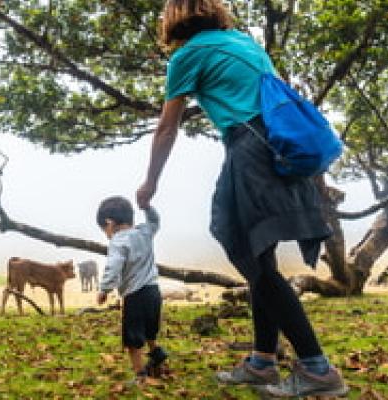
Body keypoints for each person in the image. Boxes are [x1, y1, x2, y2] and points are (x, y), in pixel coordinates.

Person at [134, 0, 348, 397]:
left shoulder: (188, 55)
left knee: (247, 253)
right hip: (283, 148)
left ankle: (317, 369)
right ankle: (263, 361)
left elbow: (167, 128)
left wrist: (149, 183)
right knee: (257, 256)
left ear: (174, 18)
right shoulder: (243, 42)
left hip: (250, 149)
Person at [96, 196, 168, 385]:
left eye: (105, 231)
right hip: (154, 291)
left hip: (135, 296)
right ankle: (156, 354)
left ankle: (140, 376)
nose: (107, 235)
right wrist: (147, 206)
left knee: (133, 340)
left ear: (109, 223)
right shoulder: (144, 231)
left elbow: (113, 266)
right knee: (150, 330)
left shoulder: (118, 242)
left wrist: (104, 289)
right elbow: (155, 221)